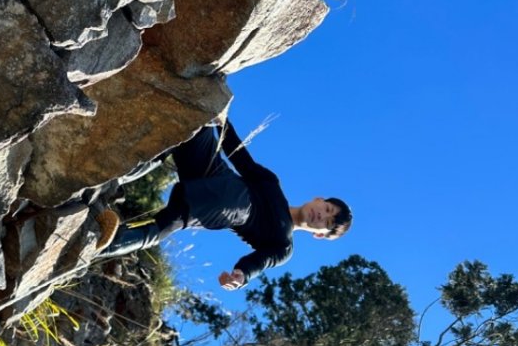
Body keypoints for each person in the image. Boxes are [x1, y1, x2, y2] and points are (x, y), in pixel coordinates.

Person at [98, 120, 352, 290]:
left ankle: (98, 243)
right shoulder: (272, 183)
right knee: (195, 123)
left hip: (227, 206)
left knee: (168, 223)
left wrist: (241, 276)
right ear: (319, 200)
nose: (321, 215)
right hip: (214, 171)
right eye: (327, 209)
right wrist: (222, 119)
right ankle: (113, 181)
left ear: (319, 234)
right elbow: (240, 157)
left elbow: (259, 262)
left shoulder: (283, 246)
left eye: (327, 223)